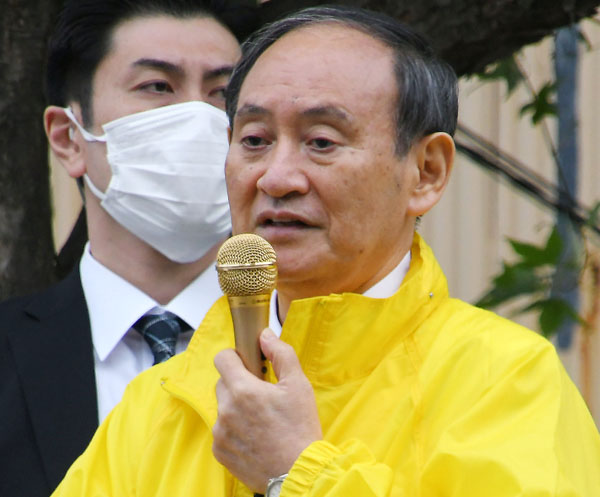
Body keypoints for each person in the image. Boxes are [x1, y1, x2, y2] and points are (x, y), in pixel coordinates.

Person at [51, 5, 600, 497]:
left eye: (321, 142)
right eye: (254, 140)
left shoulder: (503, 382)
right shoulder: (162, 402)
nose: (276, 177)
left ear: (426, 172)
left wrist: (296, 474)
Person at [0, 1, 243, 495]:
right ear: (69, 138)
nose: (198, 115)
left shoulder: (306, 341)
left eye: (222, 93)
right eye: (158, 86)